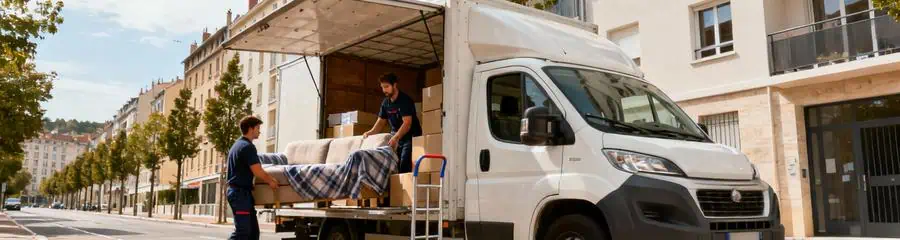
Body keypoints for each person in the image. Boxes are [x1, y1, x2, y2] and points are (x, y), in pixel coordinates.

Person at [226, 116, 279, 240]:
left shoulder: (237, 145)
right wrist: (271, 181)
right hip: (240, 195)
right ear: (251, 129)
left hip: (242, 194)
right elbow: (257, 171)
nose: (259, 131)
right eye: (258, 128)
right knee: (243, 232)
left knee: (253, 234)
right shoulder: (247, 147)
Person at [363, 73, 423, 173]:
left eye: (386, 87)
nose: (384, 90)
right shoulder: (385, 103)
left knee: (404, 162)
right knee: (393, 163)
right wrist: (370, 132)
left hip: (411, 136)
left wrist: (396, 137)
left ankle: (405, 187)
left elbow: (407, 123)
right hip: (396, 136)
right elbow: (381, 122)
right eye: (382, 87)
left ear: (394, 85)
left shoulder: (405, 100)